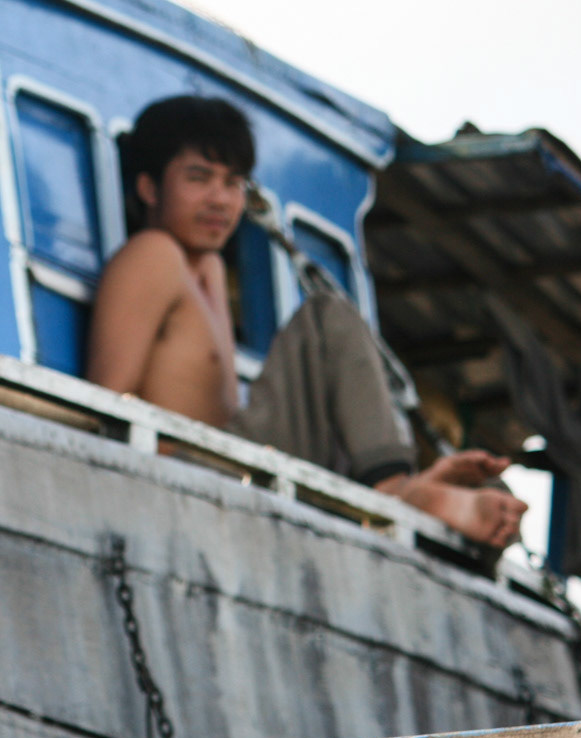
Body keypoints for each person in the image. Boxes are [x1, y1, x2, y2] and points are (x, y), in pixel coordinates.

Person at [86, 94, 528, 548]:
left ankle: (426, 491)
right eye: (199, 179)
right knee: (326, 316)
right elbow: (105, 403)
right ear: (148, 189)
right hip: (186, 469)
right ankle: (396, 490)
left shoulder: (209, 269)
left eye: (234, 183)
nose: (220, 199)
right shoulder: (152, 254)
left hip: (231, 458)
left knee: (491, 489)